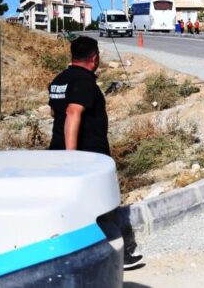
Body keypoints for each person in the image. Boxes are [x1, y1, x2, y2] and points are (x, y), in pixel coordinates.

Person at [47, 36, 143, 269]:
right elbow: (72, 113)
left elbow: (54, 112)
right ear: (94, 57)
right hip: (86, 156)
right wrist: (72, 157)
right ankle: (117, 257)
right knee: (102, 206)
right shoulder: (84, 82)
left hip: (57, 151)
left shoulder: (59, 80)